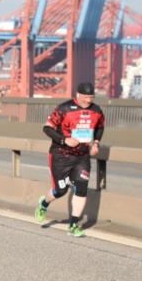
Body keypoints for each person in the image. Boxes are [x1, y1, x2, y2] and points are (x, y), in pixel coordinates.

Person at [35, 81, 105, 237]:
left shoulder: (96, 110)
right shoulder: (64, 108)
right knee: (60, 190)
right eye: (86, 97)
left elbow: (100, 127)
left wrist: (96, 143)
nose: (89, 100)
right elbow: (47, 128)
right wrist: (64, 140)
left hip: (82, 156)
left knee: (81, 188)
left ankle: (73, 225)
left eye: (91, 97)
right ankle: (44, 203)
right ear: (78, 95)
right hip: (61, 155)